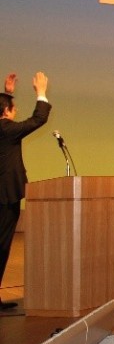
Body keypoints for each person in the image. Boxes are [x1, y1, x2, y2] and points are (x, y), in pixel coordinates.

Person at [0, 72, 50, 311]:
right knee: (1, 246)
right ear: (6, 112)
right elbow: (38, 119)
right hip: (4, 196)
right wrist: (40, 91)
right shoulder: (7, 130)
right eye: (13, 108)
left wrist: (7, 93)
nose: (15, 112)